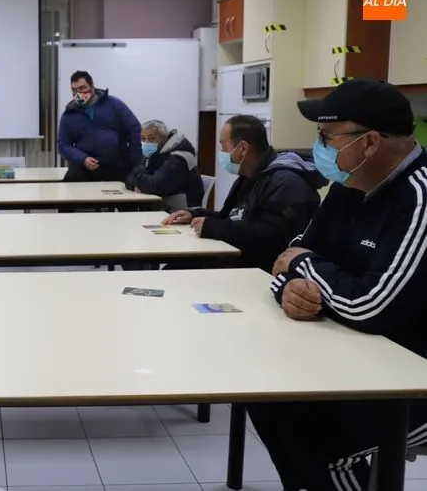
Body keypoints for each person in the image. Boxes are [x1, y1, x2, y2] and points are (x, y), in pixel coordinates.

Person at [253, 79, 427, 490]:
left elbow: (369, 306)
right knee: (266, 397)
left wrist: (306, 268)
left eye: (326, 137)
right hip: (356, 356)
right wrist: (290, 290)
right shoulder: (350, 185)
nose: (319, 148)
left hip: (412, 374)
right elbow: (286, 260)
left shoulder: (418, 198)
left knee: (323, 444)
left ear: (369, 143)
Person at [162, 114, 326, 273]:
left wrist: (214, 227)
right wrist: (196, 214)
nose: (222, 153)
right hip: (239, 257)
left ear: (243, 148)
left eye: (224, 147)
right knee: (175, 267)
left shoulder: (287, 183)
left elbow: (271, 239)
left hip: (261, 270)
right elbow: (232, 218)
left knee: (176, 271)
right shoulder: (248, 177)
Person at [58, 70, 142, 182]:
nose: (78, 93)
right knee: (71, 183)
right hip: (85, 166)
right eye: (74, 90)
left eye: (82, 88)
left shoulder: (114, 104)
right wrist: (83, 159)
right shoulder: (69, 115)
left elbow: (134, 128)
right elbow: (63, 145)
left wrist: (136, 163)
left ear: (92, 87)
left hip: (117, 164)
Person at [125, 119, 204, 210]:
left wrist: (138, 179)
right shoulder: (154, 153)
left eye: (151, 139)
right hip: (161, 204)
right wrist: (139, 183)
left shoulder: (178, 158)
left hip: (181, 209)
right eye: (143, 139)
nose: (146, 142)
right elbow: (129, 179)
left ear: (164, 139)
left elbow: (154, 186)